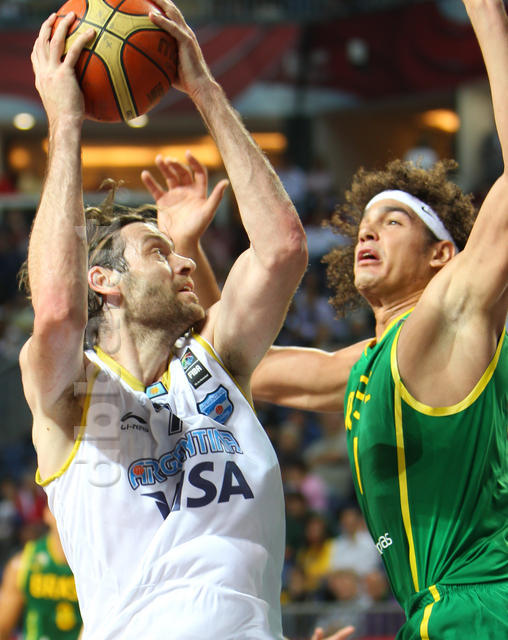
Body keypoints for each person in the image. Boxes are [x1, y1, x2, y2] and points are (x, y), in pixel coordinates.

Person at [20, 1, 309, 638]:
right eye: (158, 251)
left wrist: (203, 89)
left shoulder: (218, 366)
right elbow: (59, 310)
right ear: (105, 282)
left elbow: (283, 250)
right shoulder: (72, 392)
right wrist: (65, 124)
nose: (184, 263)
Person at [252, 1, 508, 637]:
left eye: (392, 222)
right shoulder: (365, 368)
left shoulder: (451, 313)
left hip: (482, 603)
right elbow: (234, 363)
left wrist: (488, 20)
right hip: (436, 611)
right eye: (364, 227)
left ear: (442, 255)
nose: (367, 234)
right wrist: (188, 245)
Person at [0, 505, 82, 640]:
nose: (68, 515)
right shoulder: (24, 564)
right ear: (47, 514)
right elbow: (2, 627)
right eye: (62, 507)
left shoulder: (97, 564)